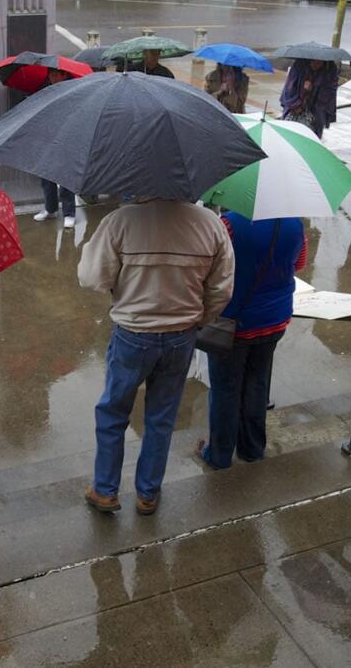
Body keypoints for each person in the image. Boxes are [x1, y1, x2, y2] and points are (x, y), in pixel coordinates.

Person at [78, 197, 235, 515]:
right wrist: (198, 320)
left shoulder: (121, 221)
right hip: (182, 335)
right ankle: (147, 493)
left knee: (112, 412)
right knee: (162, 416)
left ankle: (106, 490)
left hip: (132, 335)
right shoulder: (210, 223)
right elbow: (222, 289)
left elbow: (92, 277)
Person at [198, 214, 306, 468]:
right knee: (257, 384)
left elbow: (210, 269)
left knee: (225, 389)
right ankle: (253, 448)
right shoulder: (294, 223)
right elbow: (298, 263)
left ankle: (219, 454)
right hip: (275, 319)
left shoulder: (229, 224)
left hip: (234, 322)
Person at [33, 68, 77, 229]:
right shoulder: (44, 90)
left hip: (66, 138)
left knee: (65, 177)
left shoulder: (73, 90)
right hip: (46, 137)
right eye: (50, 74)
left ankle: (69, 212)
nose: (52, 78)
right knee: (46, 177)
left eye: (55, 74)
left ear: (64, 75)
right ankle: (50, 208)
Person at [279, 59, 338, 138]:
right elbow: (289, 90)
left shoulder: (329, 71)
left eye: (319, 62)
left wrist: (312, 89)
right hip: (294, 111)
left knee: (311, 138)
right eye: (313, 61)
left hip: (316, 115)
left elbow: (328, 96)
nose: (315, 64)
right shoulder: (299, 66)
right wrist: (297, 103)